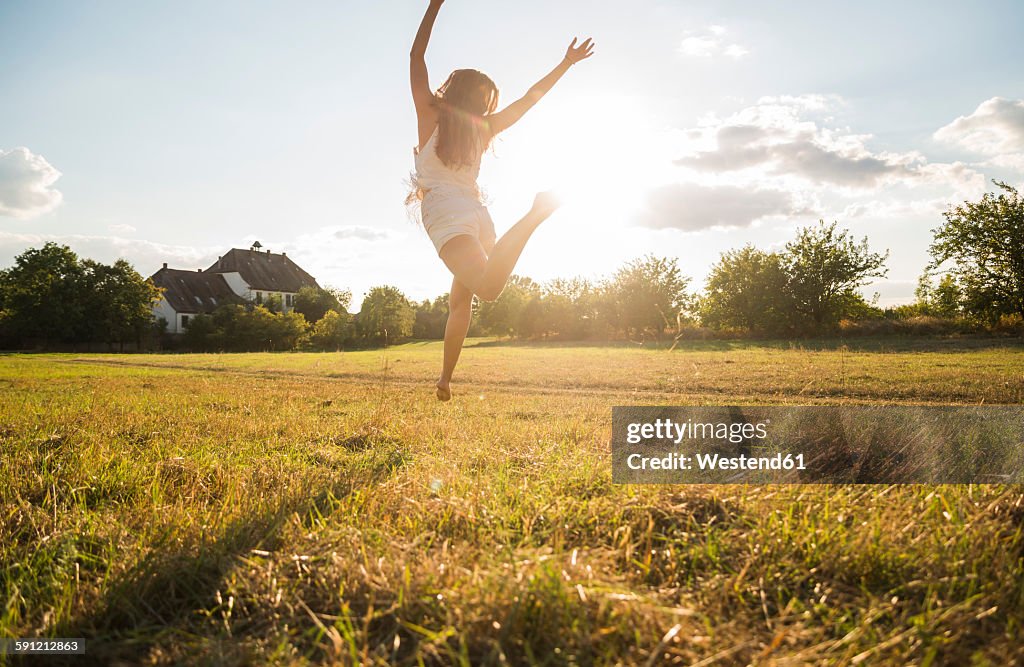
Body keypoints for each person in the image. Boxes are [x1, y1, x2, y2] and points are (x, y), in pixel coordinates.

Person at [409, 0, 595, 401]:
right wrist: (565, 63)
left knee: (487, 288)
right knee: (461, 300)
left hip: (446, 211)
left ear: (450, 89)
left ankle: (534, 214)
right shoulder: (485, 128)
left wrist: (434, 6)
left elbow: (416, 54)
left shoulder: (430, 112)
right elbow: (530, 99)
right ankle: (444, 379)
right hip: (478, 214)